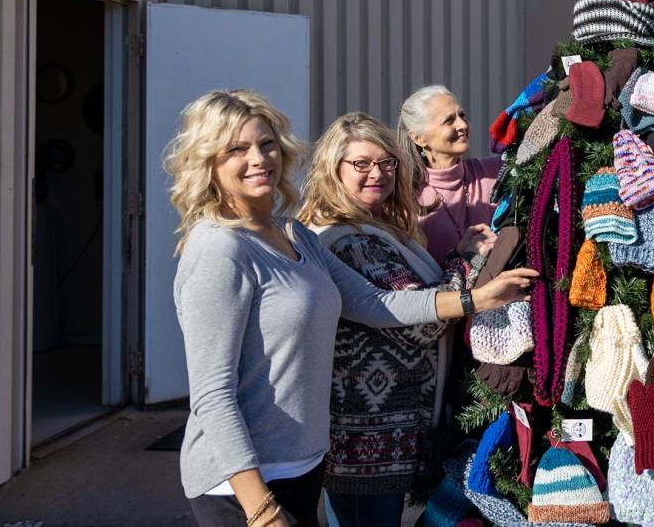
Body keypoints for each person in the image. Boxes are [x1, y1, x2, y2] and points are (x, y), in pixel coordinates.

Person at [168, 90, 536, 527]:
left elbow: (373, 304)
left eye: (266, 144)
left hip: (301, 463)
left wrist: (478, 298)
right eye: (237, 149)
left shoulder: (294, 234)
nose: (258, 158)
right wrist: (261, 509)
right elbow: (212, 395)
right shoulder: (219, 248)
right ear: (208, 161)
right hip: (241, 483)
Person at [298, 112, 532, 527]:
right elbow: (420, 317)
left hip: (385, 435)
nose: (377, 173)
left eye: (386, 163)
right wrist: (465, 265)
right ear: (333, 170)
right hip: (368, 440)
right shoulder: (348, 240)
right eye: (361, 164)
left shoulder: (374, 228)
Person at [399, 85, 501, 264]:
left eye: (462, 116)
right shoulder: (406, 197)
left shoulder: (496, 171)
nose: (462, 125)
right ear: (418, 138)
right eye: (449, 120)